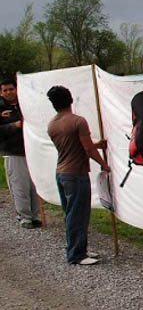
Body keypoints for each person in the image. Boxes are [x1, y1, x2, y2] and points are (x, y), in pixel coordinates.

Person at [45, 86, 108, 265]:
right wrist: (104, 164)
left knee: (70, 214)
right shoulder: (78, 121)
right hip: (76, 174)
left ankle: (78, 249)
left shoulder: (53, 124)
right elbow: (86, 149)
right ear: (71, 99)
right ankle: (76, 255)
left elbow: (73, 146)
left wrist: (95, 145)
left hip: (61, 173)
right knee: (78, 214)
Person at [0, 78, 41, 228]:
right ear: (1, 92)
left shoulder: (25, 104)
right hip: (12, 151)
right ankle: (24, 216)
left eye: (11, 89)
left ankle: (35, 215)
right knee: (19, 185)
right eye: (5, 90)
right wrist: (13, 125)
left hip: (30, 150)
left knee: (33, 184)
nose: (9, 92)